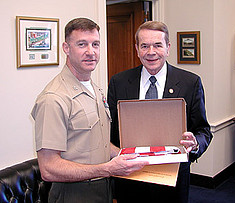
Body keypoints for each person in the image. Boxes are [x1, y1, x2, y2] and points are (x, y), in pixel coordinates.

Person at [31, 17, 148, 203]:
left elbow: (97, 141)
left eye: (95, 44)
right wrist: (108, 168)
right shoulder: (53, 98)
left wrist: (123, 156)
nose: (90, 52)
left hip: (104, 188)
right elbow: (48, 168)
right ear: (66, 48)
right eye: (81, 44)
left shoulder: (94, 88)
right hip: (73, 193)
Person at [107, 21, 213, 203]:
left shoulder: (190, 82)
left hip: (172, 182)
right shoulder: (119, 82)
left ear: (168, 47)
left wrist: (195, 144)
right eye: (144, 46)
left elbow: (204, 131)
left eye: (157, 45)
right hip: (130, 179)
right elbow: (110, 132)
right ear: (137, 49)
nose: (151, 52)